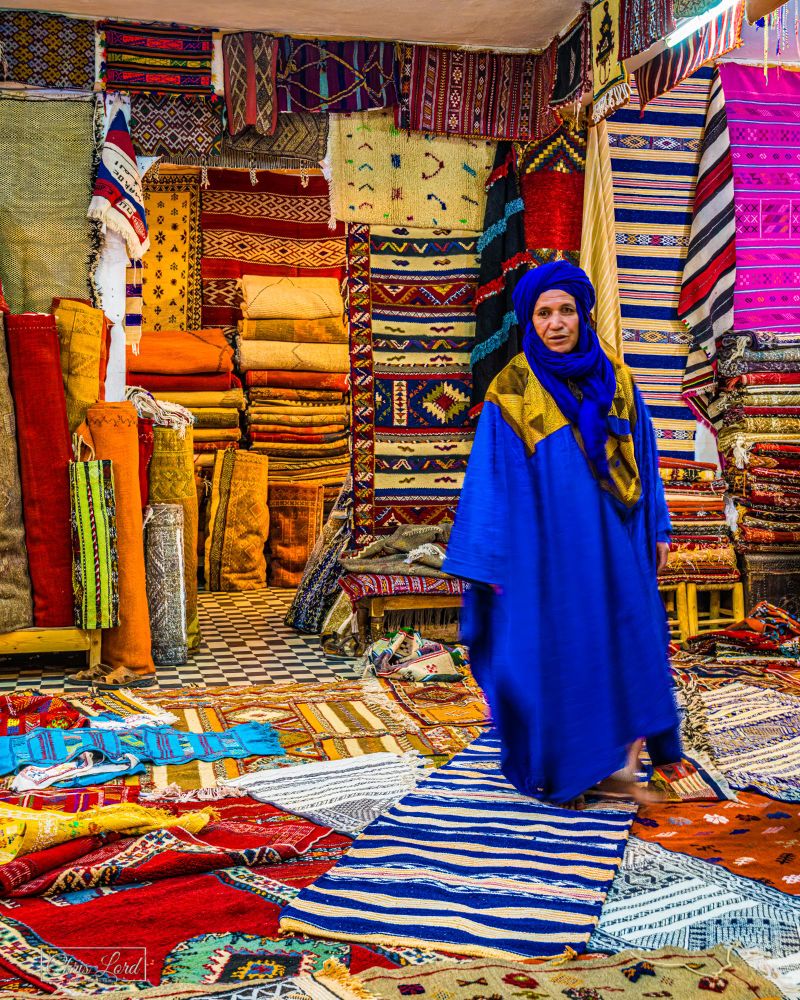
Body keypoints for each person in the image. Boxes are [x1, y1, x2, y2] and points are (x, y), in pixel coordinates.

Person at [443, 260, 681, 805]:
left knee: (628, 641)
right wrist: (491, 563)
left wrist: (659, 529)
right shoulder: (514, 389)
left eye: (566, 311)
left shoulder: (617, 379)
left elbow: (645, 456)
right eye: (544, 313)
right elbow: (491, 478)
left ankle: (624, 764)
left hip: (617, 543)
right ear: (530, 320)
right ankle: (570, 765)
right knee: (560, 649)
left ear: (583, 314)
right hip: (549, 552)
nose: (556, 323)